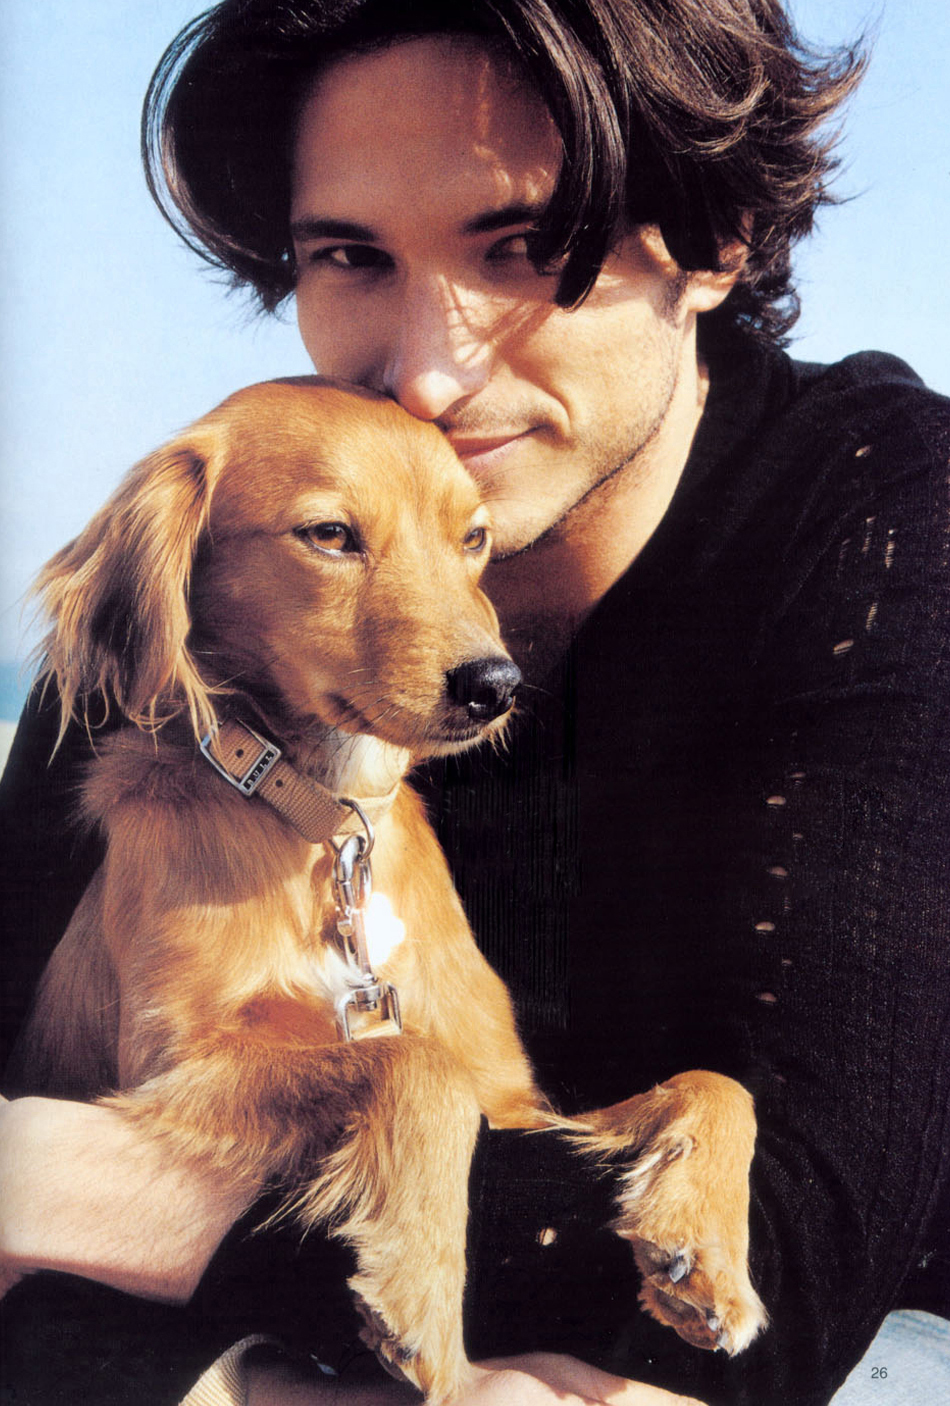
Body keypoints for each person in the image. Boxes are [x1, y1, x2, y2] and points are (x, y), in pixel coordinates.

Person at [1, 2, 948, 1404]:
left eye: (521, 249)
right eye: (350, 256)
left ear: (715, 242)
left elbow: (790, 1275)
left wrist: (119, 1193)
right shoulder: (207, 585)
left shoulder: (883, 519)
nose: (429, 375)